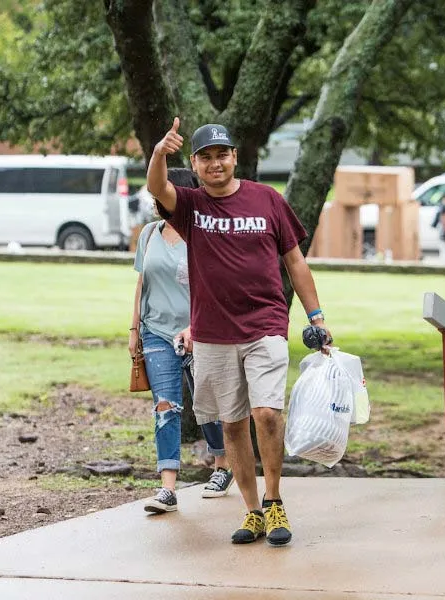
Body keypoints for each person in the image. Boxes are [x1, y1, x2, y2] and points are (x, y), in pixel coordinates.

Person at [147, 119, 331, 546]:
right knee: (231, 427)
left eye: (222, 154)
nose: (216, 163)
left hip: (265, 323)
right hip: (212, 332)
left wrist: (316, 316)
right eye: (206, 157)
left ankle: (274, 500)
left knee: (265, 413)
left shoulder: (267, 199)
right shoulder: (190, 206)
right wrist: (159, 153)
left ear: (235, 157)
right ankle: (251, 512)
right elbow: (158, 187)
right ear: (194, 164)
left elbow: (296, 261)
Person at [131, 167, 234, 514]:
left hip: (200, 333)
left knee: (208, 406)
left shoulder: (202, 236)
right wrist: (134, 332)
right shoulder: (148, 235)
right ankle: (168, 487)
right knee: (166, 407)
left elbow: (216, 289)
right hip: (157, 333)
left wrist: (195, 327)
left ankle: (222, 464)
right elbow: (141, 284)